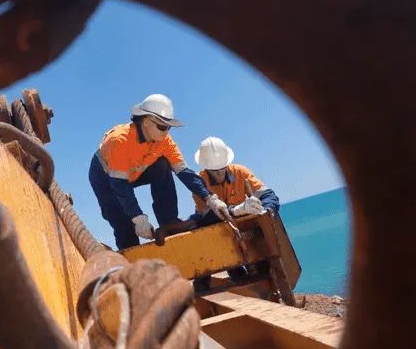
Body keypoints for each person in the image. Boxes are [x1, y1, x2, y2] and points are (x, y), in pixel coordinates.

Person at [88, 95, 231, 249]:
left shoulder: (165, 141)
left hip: (133, 172)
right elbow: (120, 185)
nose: (166, 132)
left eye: (169, 127)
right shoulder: (120, 140)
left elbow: (184, 172)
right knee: (124, 225)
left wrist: (209, 198)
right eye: (162, 127)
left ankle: (169, 221)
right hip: (106, 179)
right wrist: (138, 218)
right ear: (147, 122)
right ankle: (130, 260)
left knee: (163, 164)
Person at [191, 136, 280, 224]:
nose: (220, 173)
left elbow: (268, 195)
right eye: (214, 170)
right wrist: (236, 210)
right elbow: (207, 217)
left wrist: (265, 210)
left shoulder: (240, 172)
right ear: (206, 167)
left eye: (222, 168)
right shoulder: (198, 183)